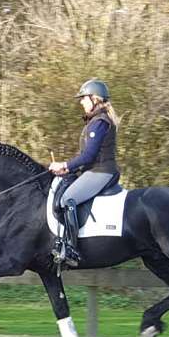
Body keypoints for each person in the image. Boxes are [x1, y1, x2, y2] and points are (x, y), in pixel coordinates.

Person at [49, 78, 121, 267]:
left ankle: (71, 249)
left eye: (83, 98)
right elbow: (86, 156)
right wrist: (67, 168)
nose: (81, 102)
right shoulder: (96, 121)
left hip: (101, 171)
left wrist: (65, 164)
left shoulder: (99, 122)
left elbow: (88, 156)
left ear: (94, 99)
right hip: (95, 170)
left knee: (66, 199)